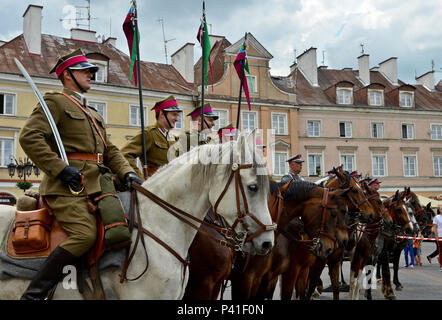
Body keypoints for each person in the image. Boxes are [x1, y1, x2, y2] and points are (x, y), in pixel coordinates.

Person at [18, 49, 141, 300]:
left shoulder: (93, 113)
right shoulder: (55, 102)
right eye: (85, 70)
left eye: (91, 71)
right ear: (67, 75)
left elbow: (111, 151)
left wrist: (128, 173)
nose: (91, 75)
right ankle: (34, 294)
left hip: (99, 185)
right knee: (85, 234)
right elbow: (29, 137)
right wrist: (61, 169)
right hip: (66, 188)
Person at [121, 95, 182, 179]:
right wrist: (139, 178)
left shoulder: (174, 138)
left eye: (177, 115)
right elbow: (124, 154)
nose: (176, 119)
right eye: (174, 115)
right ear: (162, 114)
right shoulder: (149, 134)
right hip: (154, 185)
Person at [431, 205, 442, 271]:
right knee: (441, 252)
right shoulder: (437, 217)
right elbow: (434, 227)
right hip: (440, 236)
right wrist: (436, 236)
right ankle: (441, 265)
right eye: (441, 209)